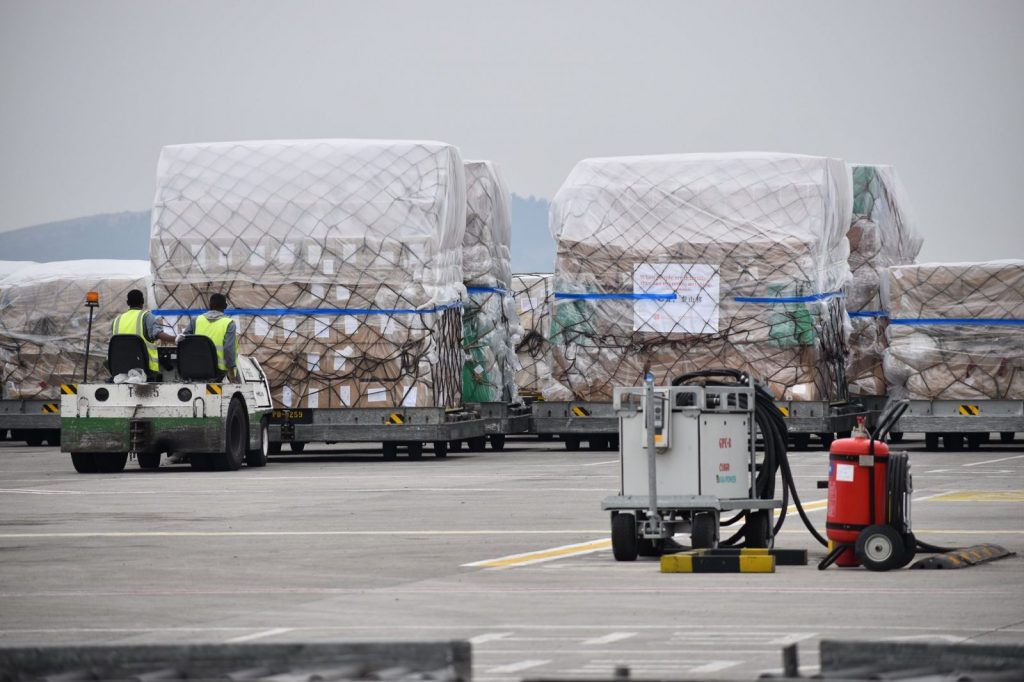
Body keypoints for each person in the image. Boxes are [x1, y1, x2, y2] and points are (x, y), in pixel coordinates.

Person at [111, 289, 176, 373]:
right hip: (144, 368)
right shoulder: (146, 316)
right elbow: (158, 334)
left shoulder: (117, 320)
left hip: (121, 367)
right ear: (143, 301)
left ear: (127, 303)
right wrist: (176, 339)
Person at [182, 293, 238, 382]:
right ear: (225, 306)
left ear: (210, 305)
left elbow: (183, 340)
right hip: (218, 371)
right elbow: (228, 349)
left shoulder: (196, 320)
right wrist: (231, 373)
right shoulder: (229, 323)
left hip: (197, 368)